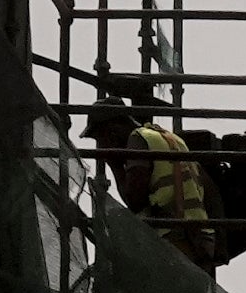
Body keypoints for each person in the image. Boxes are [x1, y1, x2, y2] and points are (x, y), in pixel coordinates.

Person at [85, 87, 220, 266]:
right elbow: (210, 192)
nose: (99, 147)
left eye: (99, 139)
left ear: (112, 132)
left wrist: (115, 165)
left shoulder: (137, 141)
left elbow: (135, 200)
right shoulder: (169, 138)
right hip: (199, 236)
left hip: (173, 237)